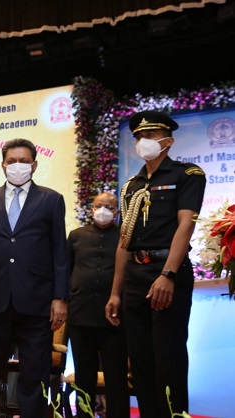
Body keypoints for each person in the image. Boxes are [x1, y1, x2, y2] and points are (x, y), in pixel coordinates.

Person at [105, 111, 206, 418]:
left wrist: (168, 274)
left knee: (168, 358)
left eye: (150, 136)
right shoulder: (131, 185)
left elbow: (185, 225)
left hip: (166, 273)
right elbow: (124, 241)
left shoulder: (187, 175)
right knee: (140, 362)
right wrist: (115, 292)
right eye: (138, 137)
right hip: (135, 275)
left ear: (168, 141)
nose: (142, 142)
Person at [0, 138, 69, 418]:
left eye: (23, 161)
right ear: (3, 165)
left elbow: (60, 252)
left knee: (34, 375)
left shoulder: (51, 200)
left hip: (37, 302)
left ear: (34, 165)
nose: (17, 166)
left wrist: (60, 297)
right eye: (12, 161)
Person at [67, 192, 129, 418]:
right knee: (84, 377)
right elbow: (66, 270)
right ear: (92, 209)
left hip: (115, 318)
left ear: (117, 212)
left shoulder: (125, 236)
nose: (103, 211)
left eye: (109, 207)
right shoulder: (76, 236)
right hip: (81, 315)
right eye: (98, 206)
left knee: (116, 378)